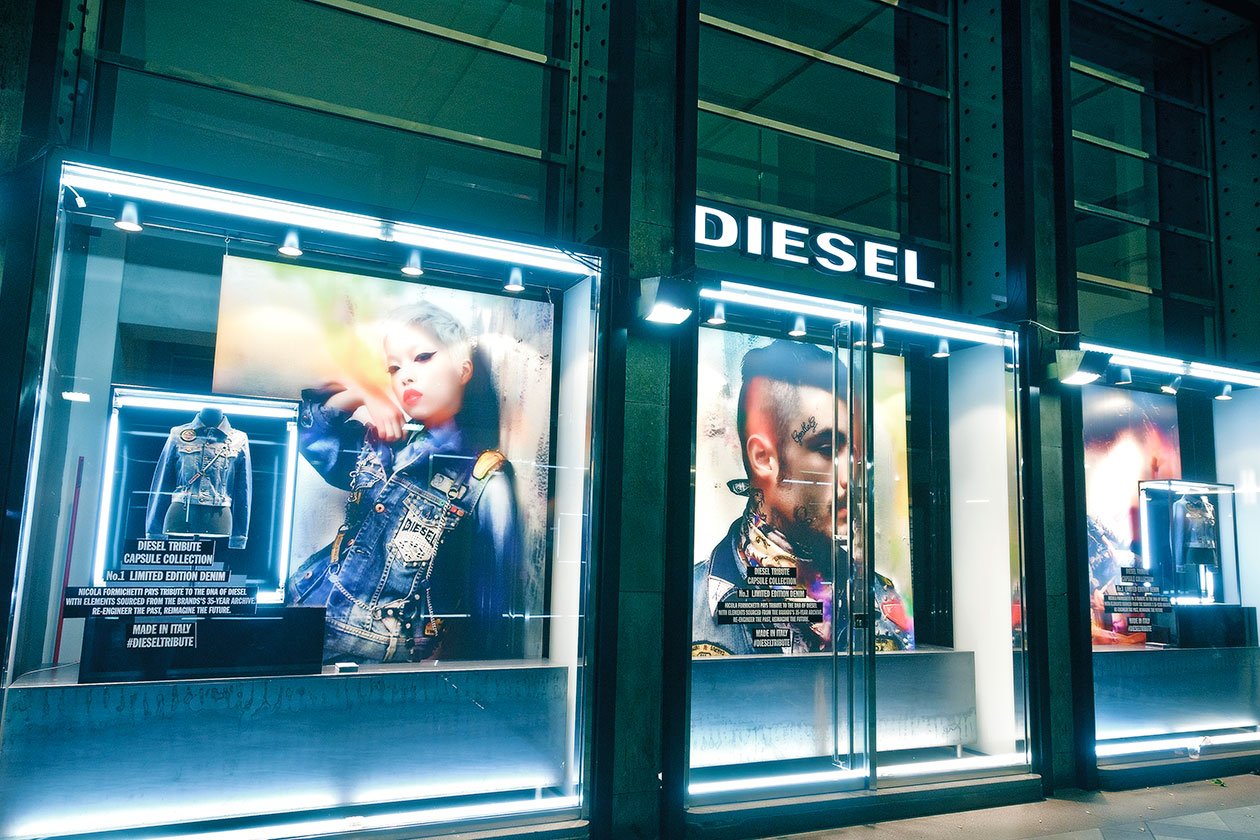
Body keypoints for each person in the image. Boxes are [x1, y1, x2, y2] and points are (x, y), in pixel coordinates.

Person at [287, 301, 522, 664]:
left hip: (376, 653)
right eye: (394, 368)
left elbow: (490, 614)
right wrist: (365, 394)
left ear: (463, 369)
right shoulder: (382, 445)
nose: (406, 377)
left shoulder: (483, 478)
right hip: (302, 607)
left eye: (423, 357)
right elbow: (313, 435)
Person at [691, 339, 912, 657]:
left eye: (856, 455)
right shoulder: (694, 602)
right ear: (763, 458)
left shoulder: (880, 597)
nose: (850, 478)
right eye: (826, 449)